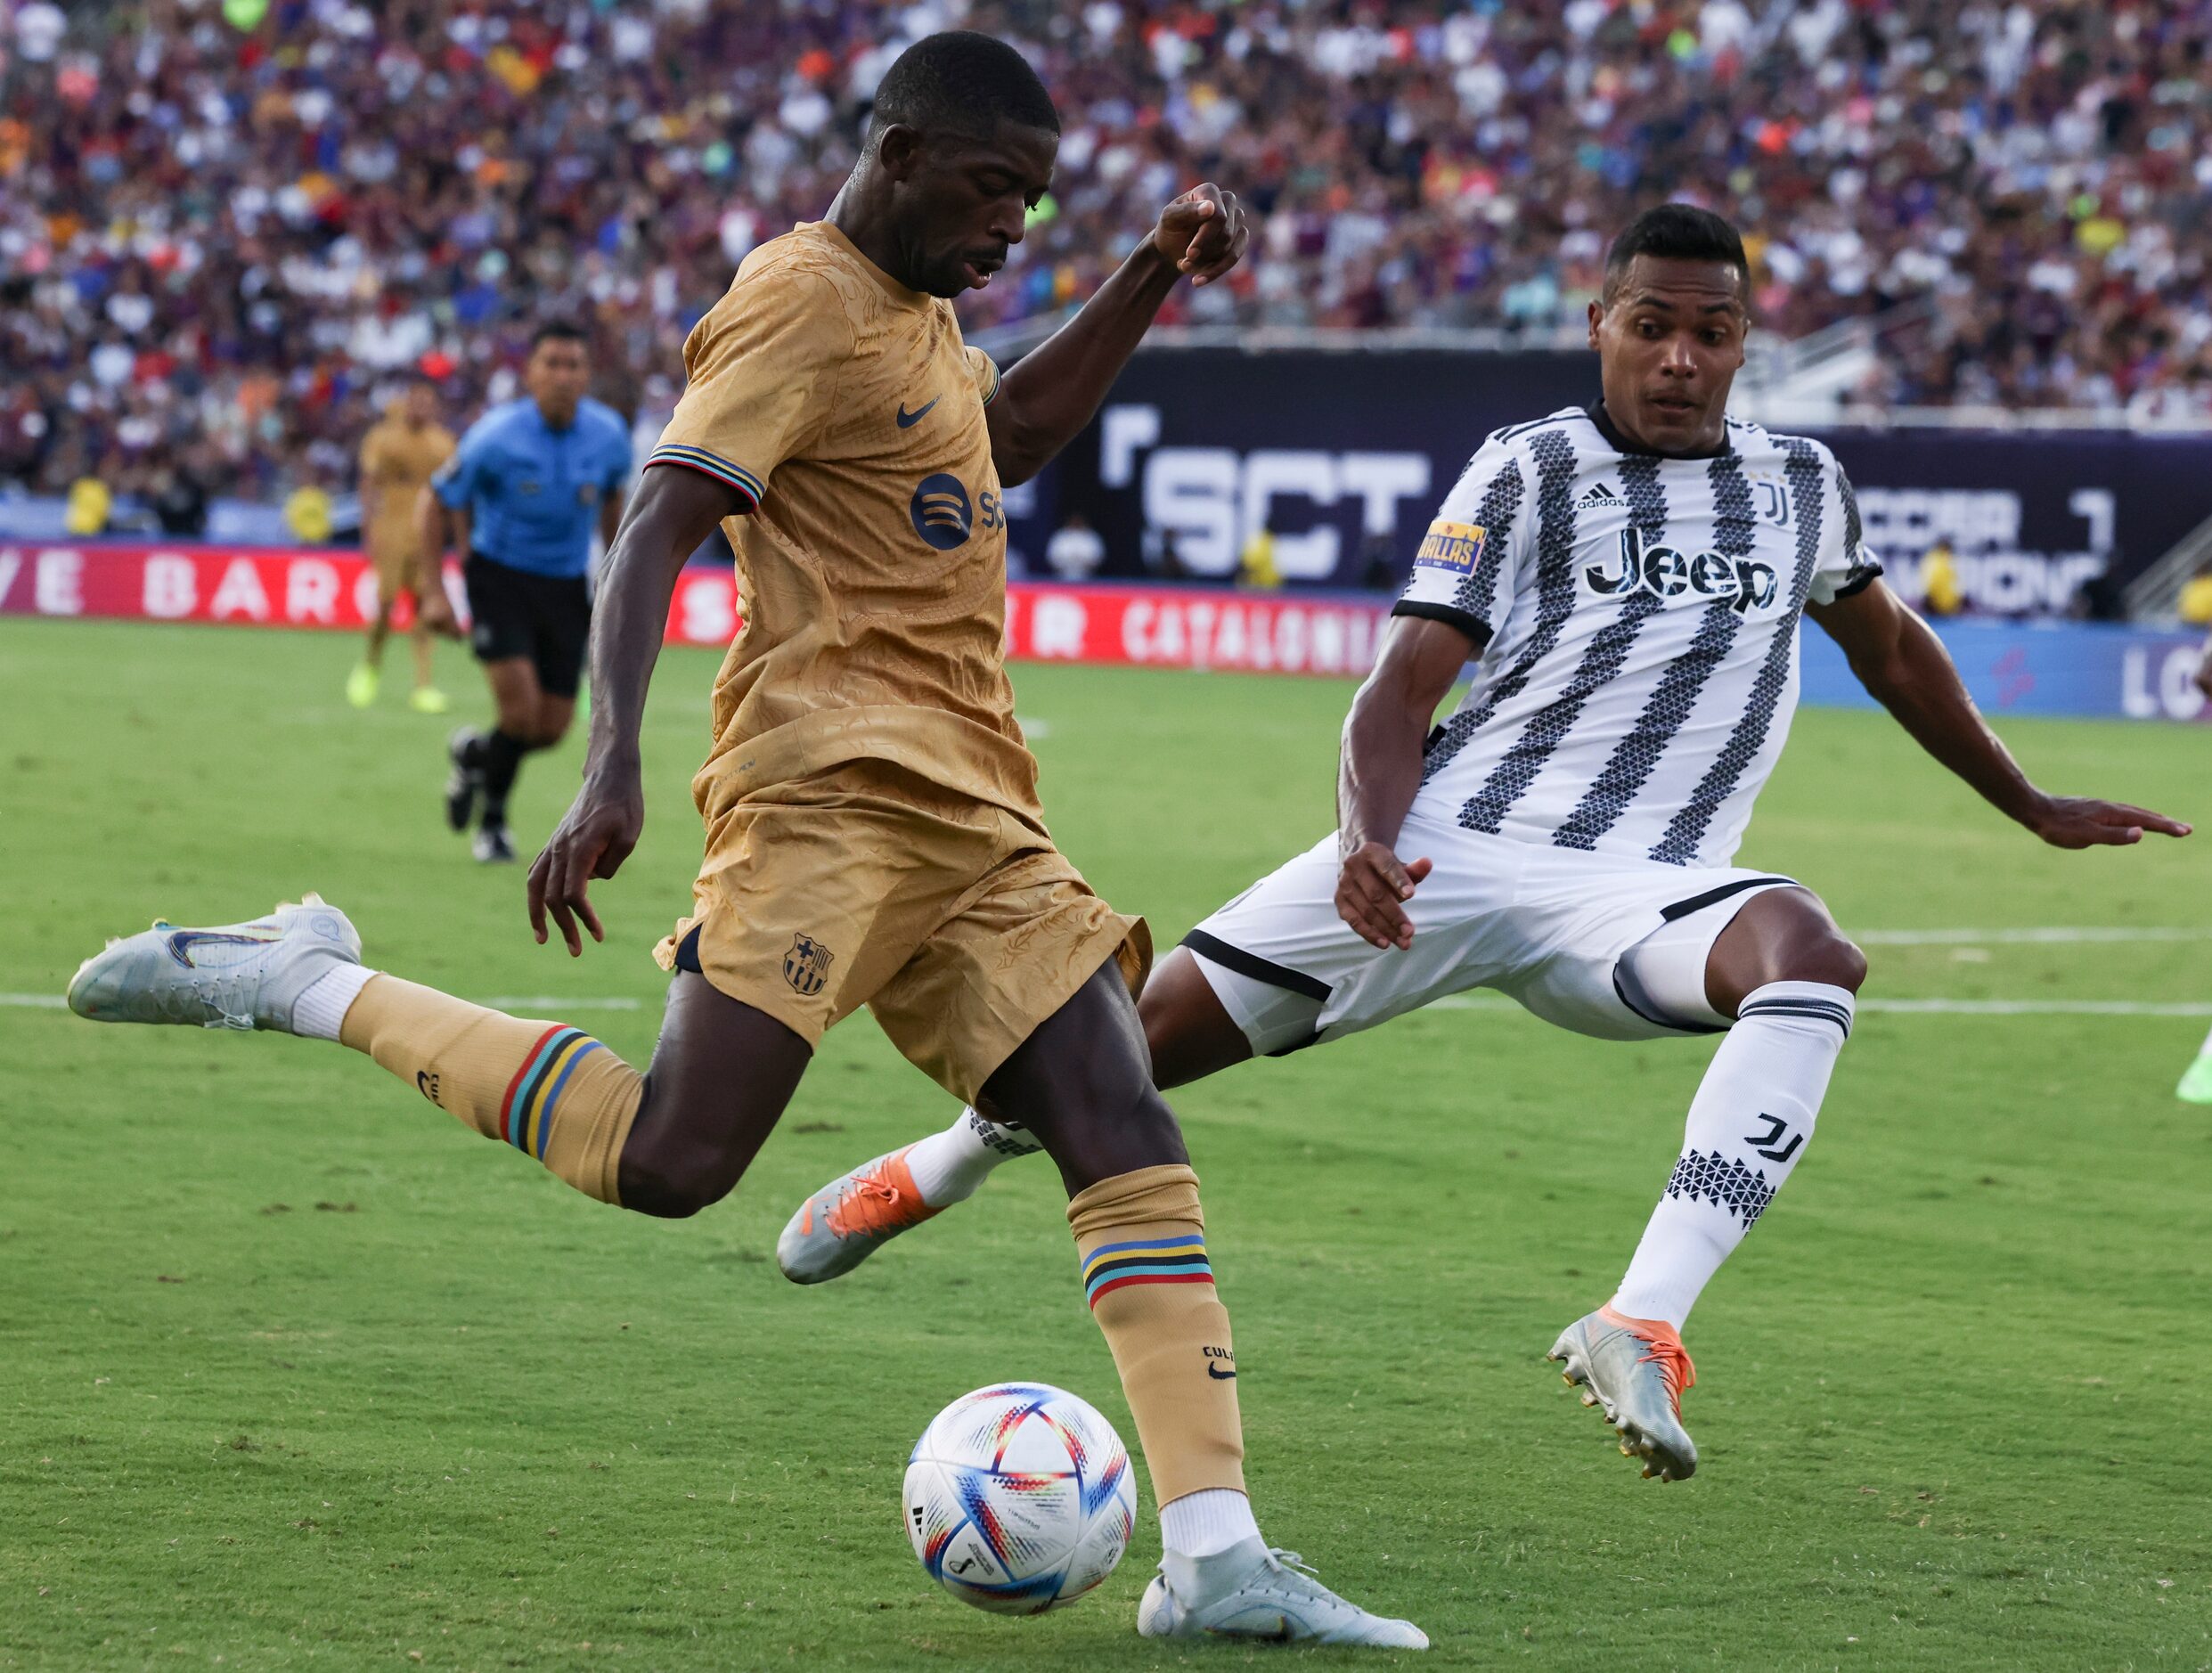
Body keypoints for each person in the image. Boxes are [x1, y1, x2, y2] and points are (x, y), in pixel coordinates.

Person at [65, 34, 1420, 1650]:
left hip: (975, 813)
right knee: (671, 1159)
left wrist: (1144, 271)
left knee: (1115, 1111)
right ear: (903, 152)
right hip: (828, 793)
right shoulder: (796, 297)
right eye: (996, 194)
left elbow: (1013, 439)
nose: (1012, 231)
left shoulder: (918, 310)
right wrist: (611, 759)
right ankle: (302, 978)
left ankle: (1209, 1551)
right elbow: (658, 519)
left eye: (1035, 207)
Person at [780, 203, 2192, 1487]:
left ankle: (1637, 1317)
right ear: (1600, 326)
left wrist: (2027, 802)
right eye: (1651, 326)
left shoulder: (1801, 485)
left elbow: (1887, 648)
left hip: (1646, 886)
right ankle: (943, 1160)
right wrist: (1364, 839)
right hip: (1443, 847)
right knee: (1117, 1055)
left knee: (1809, 954)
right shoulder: (1528, 468)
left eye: (1710, 332)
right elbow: (1400, 685)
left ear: (1744, 341)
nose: (1680, 360)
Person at [419, 323, 633, 862]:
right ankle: (493, 825)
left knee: (550, 728)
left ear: (587, 376)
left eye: (574, 365)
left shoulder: (608, 436)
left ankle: (474, 754)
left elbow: (613, 504)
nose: (563, 376)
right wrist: (435, 592)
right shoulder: (495, 435)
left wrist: (619, 577)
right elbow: (435, 502)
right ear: (530, 373)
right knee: (519, 713)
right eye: (552, 364)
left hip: (564, 587)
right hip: (499, 578)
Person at [348, 379, 456, 714]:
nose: (421, 407)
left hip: (425, 534)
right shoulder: (384, 438)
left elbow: (451, 492)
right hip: (391, 530)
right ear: (406, 402)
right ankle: (370, 663)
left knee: (424, 607)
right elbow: (369, 484)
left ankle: (423, 685)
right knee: (385, 604)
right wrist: (369, 530)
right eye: (416, 400)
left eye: (428, 401)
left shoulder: (443, 443)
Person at [1043, 510, 1106, 580]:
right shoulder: (1060, 536)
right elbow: (1052, 558)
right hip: (1061, 578)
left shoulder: (1092, 537)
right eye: (1074, 520)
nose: (1076, 522)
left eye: (1079, 520)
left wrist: (1080, 563)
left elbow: (1098, 558)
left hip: (1087, 578)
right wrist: (1068, 563)